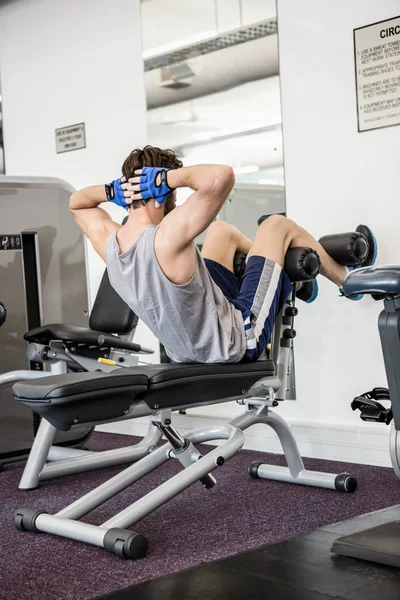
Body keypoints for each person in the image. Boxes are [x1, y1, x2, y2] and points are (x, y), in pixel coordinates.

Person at [69, 145, 377, 364]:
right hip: (236, 342)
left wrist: (112, 192)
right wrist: (164, 180)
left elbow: (76, 203)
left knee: (220, 232)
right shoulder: (167, 236)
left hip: (185, 352)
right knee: (276, 225)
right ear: (161, 197)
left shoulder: (109, 242)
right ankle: (349, 283)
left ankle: (286, 275)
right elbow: (221, 176)